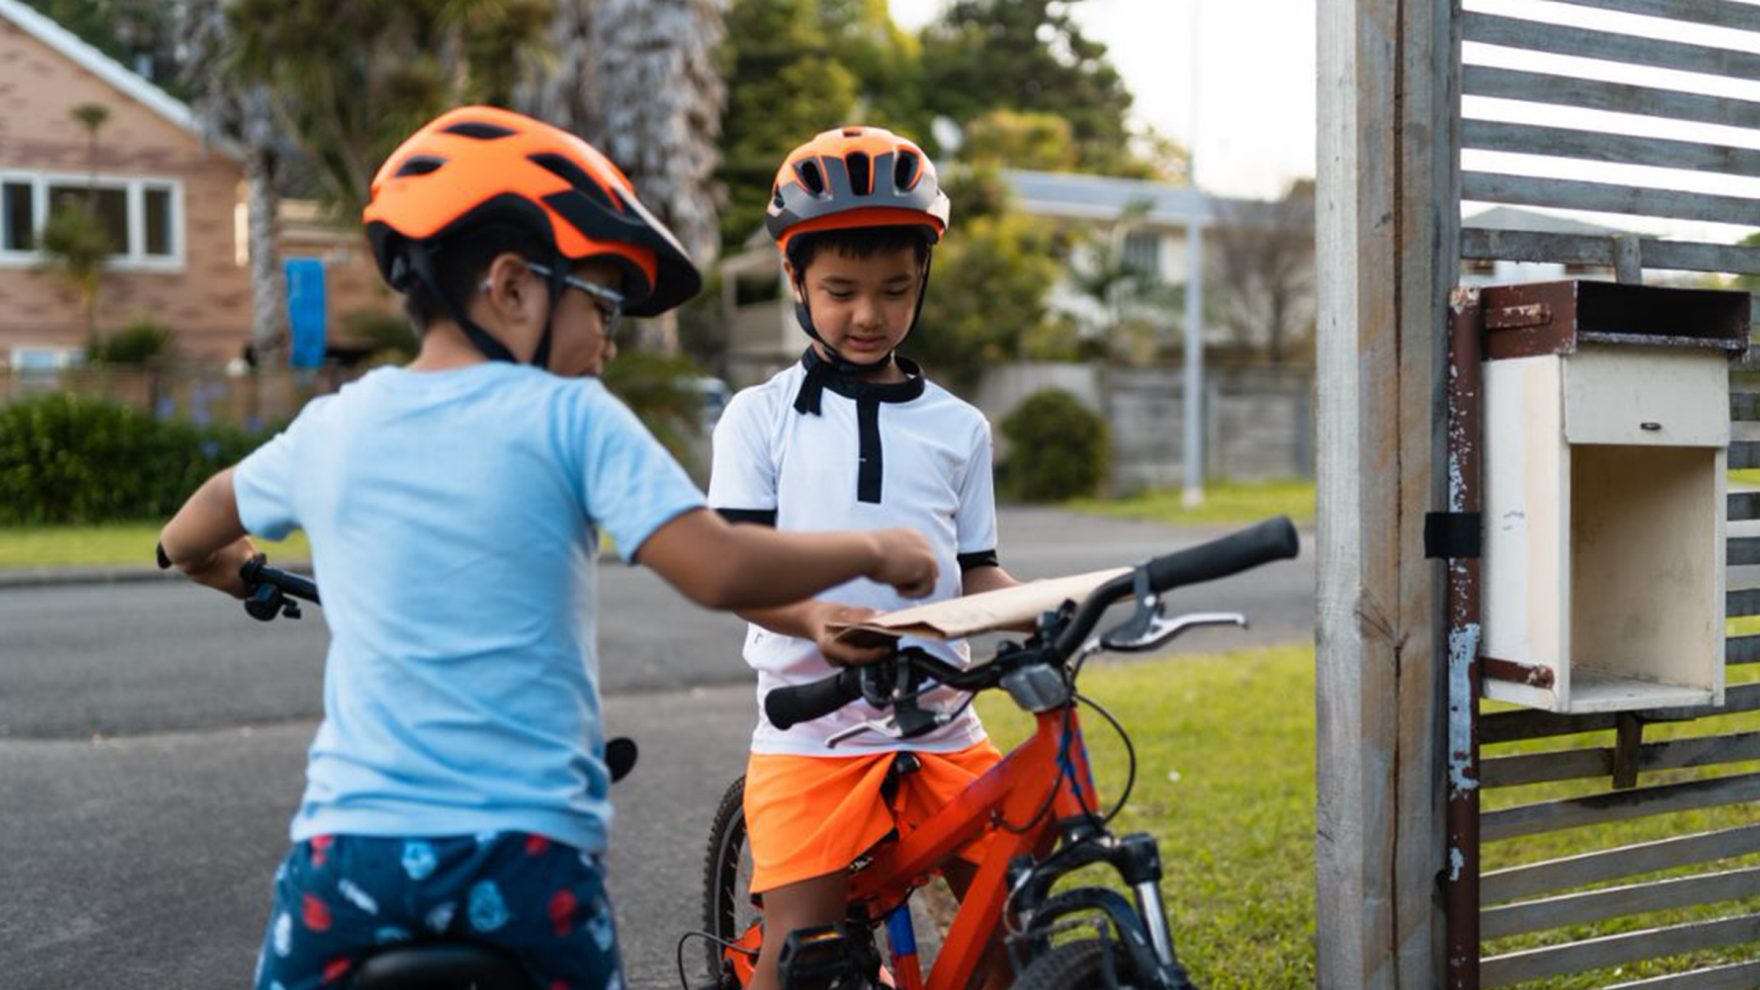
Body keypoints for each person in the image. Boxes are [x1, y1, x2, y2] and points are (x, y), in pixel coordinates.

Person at [156, 107, 940, 990]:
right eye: (602, 303)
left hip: (351, 862)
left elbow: (188, 536)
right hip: (530, 862)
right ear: (512, 287)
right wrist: (874, 545)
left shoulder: (330, 426)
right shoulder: (574, 418)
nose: (609, 339)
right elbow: (718, 565)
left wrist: (231, 570)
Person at [708, 125, 1019, 990]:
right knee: (801, 963)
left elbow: (978, 570)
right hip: (814, 730)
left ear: (924, 279)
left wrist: (1051, 606)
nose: (869, 314)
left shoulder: (960, 428)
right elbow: (740, 572)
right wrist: (812, 617)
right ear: (794, 278)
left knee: (1013, 934)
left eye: (896, 288)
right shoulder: (758, 418)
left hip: (944, 722)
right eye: (841, 290)